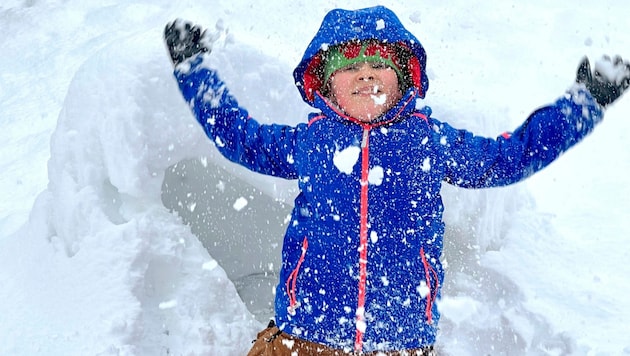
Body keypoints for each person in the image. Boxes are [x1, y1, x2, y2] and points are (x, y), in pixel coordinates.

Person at [164, 5, 630, 355]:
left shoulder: (429, 141)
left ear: (404, 76)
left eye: (378, 62)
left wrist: (582, 105)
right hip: (305, 340)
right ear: (324, 86)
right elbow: (238, 136)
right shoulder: (311, 142)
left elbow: (508, 157)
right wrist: (193, 69)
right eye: (347, 66)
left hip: (400, 343)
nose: (364, 71)